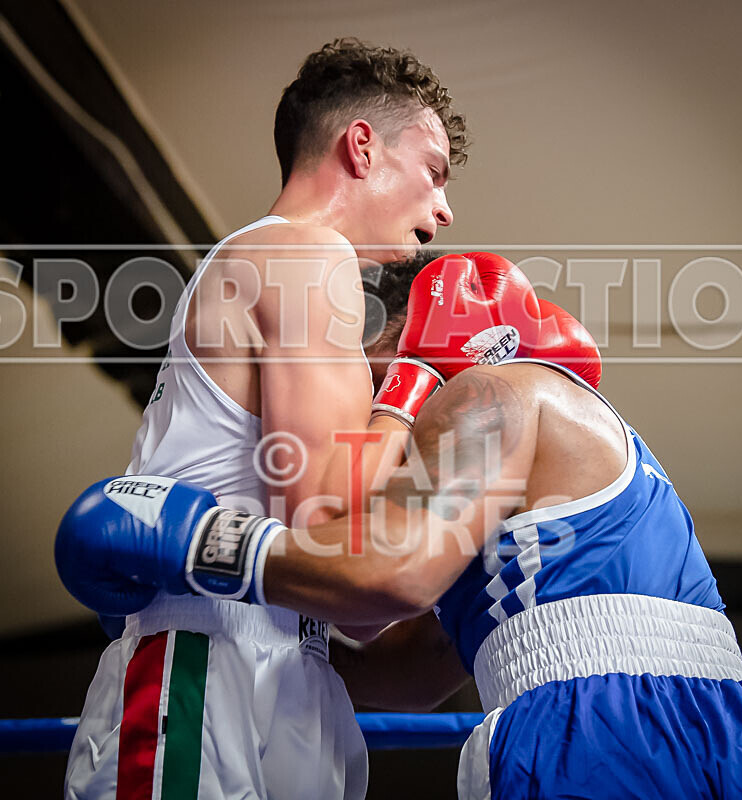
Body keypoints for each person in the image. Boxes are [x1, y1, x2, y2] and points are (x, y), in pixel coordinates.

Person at [59, 253, 742, 798]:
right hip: (737, 735)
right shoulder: (521, 491)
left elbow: (392, 573)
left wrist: (193, 542)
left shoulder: (484, 395)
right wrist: (271, 635)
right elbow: (418, 671)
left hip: (606, 735)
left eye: (346, 373)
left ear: (389, 347)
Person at [61, 37, 468, 800]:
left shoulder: (291, 270)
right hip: (207, 660)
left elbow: (360, 604)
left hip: (292, 655)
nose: (444, 208)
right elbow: (325, 515)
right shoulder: (306, 255)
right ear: (360, 146)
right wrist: (418, 382)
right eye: (434, 171)